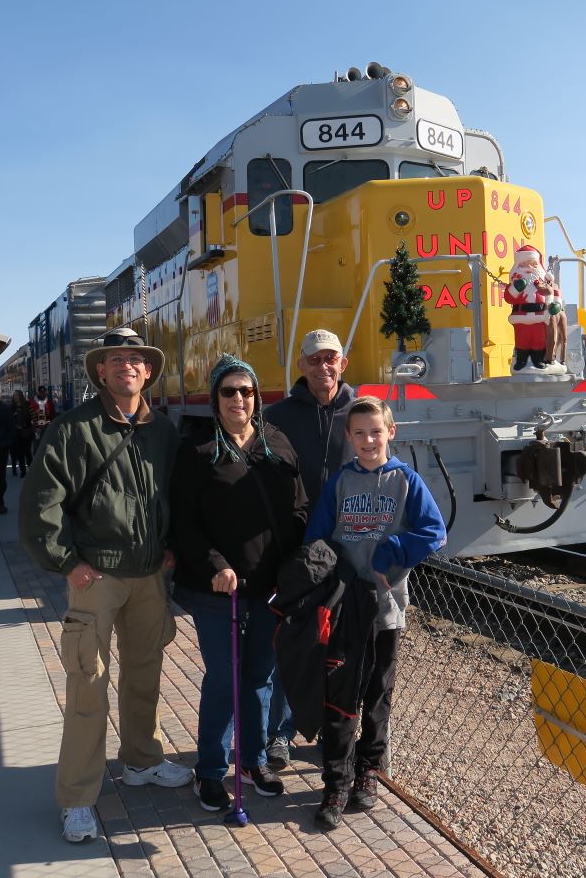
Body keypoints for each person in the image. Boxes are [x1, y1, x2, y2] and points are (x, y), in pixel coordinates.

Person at [17, 327, 187, 845]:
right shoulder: (73, 429)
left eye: (136, 360)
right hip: (98, 576)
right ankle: (77, 798)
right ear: (101, 370)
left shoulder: (163, 431)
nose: (127, 367)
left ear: (148, 371)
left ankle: (141, 760)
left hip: (149, 574)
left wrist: (172, 546)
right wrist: (66, 561)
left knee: (145, 674)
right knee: (88, 687)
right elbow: (40, 504)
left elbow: (177, 495)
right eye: (117, 359)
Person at [171, 355, 308, 813]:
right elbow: (183, 522)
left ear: (256, 397)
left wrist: (297, 564)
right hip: (217, 590)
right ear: (215, 397)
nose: (238, 399)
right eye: (228, 391)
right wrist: (215, 563)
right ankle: (210, 769)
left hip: (269, 588)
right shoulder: (197, 451)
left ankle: (252, 759)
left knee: (258, 678)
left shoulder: (276, 443)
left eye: (246, 391)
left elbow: (299, 509)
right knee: (224, 678)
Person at [304, 396, 446, 830]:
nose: (368, 440)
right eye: (360, 433)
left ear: (391, 433)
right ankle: (336, 779)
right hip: (346, 606)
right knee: (341, 693)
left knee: (379, 691)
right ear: (349, 437)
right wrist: (329, 569)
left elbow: (434, 531)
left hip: (386, 608)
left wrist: (393, 550)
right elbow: (317, 536)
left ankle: (369, 768)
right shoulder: (340, 483)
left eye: (376, 432)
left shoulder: (406, 481)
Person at [261, 328, 356, 770]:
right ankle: (278, 734)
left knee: (339, 648)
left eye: (330, 358)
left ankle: (329, 732)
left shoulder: (361, 412)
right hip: (297, 552)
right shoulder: (277, 416)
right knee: (292, 643)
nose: (323, 366)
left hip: (348, 551)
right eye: (314, 359)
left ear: (343, 362)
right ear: (301, 366)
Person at [9, 390, 35, 476]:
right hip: (16, 433)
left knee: (27, 451)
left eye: (17, 395)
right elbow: (9, 420)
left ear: (21, 396)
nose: (16, 397)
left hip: (27, 431)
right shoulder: (12, 407)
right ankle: (23, 471)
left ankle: (31, 469)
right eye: (15, 395)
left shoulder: (27, 405)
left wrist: (33, 428)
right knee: (20, 453)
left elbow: (33, 417)